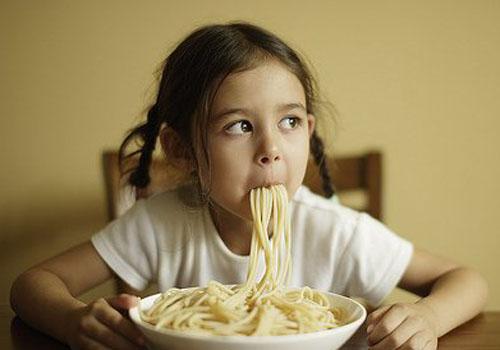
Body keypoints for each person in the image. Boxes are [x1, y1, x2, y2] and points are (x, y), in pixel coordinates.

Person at [10, 21, 488, 350]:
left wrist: (428, 318)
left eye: (290, 121)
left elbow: (467, 281)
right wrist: (74, 321)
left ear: (309, 129)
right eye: (238, 126)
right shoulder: (160, 224)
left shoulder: (336, 232)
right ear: (180, 150)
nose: (270, 148)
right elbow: (32, 285)